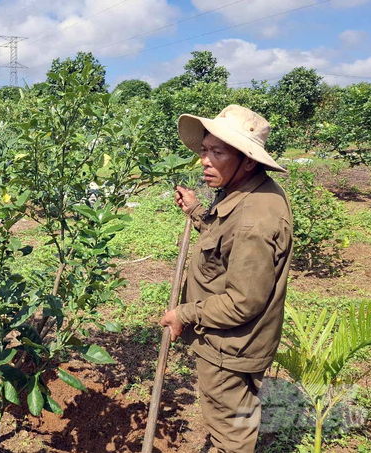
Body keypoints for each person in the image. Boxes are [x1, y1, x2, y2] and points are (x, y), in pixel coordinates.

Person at [158, 105, 293, 453]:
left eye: (218, 152)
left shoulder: (254, 219)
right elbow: (226, 244)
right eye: (205, 150)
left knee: (231, 436)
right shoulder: (251, 191)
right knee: (239, 416)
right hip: (238, 343)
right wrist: (196, 213)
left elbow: (243, 301)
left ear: (248, 160)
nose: (205, 160)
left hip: (230, 347)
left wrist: (183, 314)